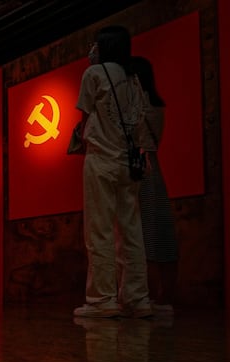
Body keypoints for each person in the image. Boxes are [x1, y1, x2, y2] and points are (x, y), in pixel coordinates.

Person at [73, 26, 152, 319]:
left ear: (103, 46)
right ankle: (137, 298)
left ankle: (102, 299)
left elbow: (84, 119)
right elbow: (139, 121)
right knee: (132, 232)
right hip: (127, 163)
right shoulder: (133, 79)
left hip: (101, 160)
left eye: (95, 43)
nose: (91, 49)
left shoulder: (93, 74)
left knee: (100, 231)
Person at [131, 56, 178, 314]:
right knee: (162, 236)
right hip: (154, 165)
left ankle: (150, 298)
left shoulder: (137, 105)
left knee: (144, 236)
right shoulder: (157, 105)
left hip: (140, 166)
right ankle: (165, 297)